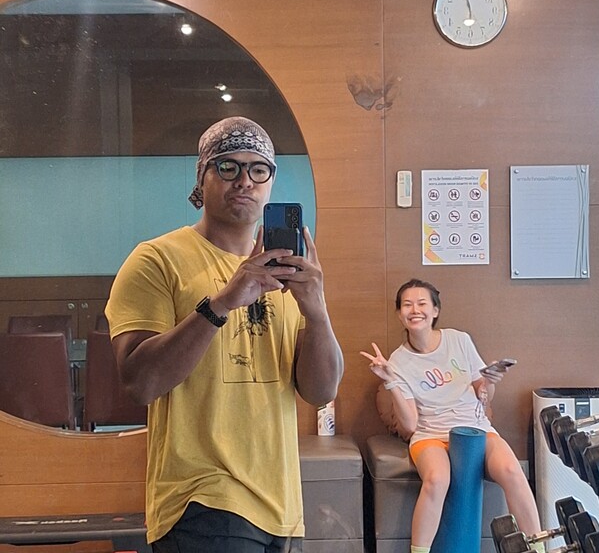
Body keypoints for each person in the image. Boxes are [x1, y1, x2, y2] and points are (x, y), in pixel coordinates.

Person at [105, 116, 344, 553]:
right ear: (203, 176)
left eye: (258, 169)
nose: (244, 181)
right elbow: (139, 381)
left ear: (271, 182)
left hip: (282, 505)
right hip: (202, 500)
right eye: (228, 166)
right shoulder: (157, 259)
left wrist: (317, 314)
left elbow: (319, 390)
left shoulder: (290, 275)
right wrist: (222, 303)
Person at [360, 278, 542, 553]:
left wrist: (489, 380)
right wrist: (390, 381)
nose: (415, 310)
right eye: (407, 305)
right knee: (437, 479)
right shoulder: (397, 361)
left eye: (422, 303)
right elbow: (410, 425)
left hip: (475, 428)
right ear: (399, 314)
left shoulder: (459, 340)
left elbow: (483, 392)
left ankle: (537, 547)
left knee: (512, 471)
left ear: (435, 310)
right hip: (430, 435)